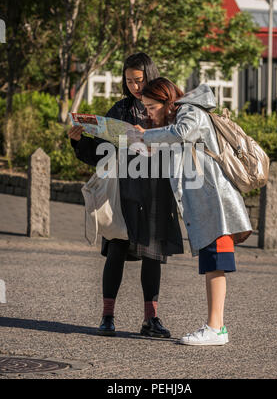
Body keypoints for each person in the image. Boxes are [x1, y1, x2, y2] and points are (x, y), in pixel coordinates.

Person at [68, 54, 184, 338]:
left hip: (157, 189)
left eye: (139, 80)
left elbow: (181, 142)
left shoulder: (168, 108)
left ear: (150, 76)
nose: (133, 86)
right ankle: (107, 316)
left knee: (152, 254)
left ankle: (151, 319)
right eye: (129, 80)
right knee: (117, 248)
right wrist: (79, 140)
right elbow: (101, 153)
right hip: (124, 189)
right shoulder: (120, 108)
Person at [134, 77, 252, 346]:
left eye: (151, 106)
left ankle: (215, 328)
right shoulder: (181, 116)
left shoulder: (190, 111)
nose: (149, 112)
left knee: (216, 263)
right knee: (213, 264)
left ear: (166, 100)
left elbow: (181, 134)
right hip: (207, 204)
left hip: (215, 203)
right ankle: (216, 326)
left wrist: (145, 134)